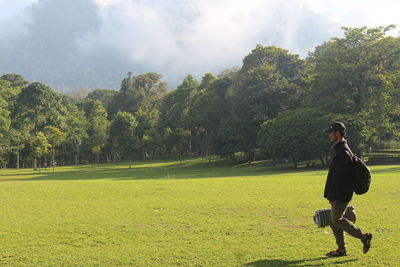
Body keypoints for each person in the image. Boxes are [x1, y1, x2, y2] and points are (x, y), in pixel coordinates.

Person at [323, 122, 372, 257]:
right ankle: (341, 250)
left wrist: (332, 196)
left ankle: (364, 237)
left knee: (337, 219)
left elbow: (339, 178)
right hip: (340, 193)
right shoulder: (341, 149)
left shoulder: (343, 152)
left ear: (338, 133)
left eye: (331, 132)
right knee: (334, 220)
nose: (329, 135)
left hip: (341, 193)